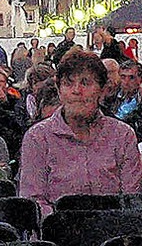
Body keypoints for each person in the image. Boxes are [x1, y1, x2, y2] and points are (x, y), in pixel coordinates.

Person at [19, 49, 142, 216]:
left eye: (85, 83)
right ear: (59, 90)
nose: (76, 91)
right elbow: (33, 201)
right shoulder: (37, 138)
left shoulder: (123, 136)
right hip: (56, 233)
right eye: (69, 83)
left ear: (102, 89)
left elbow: (131, 198)